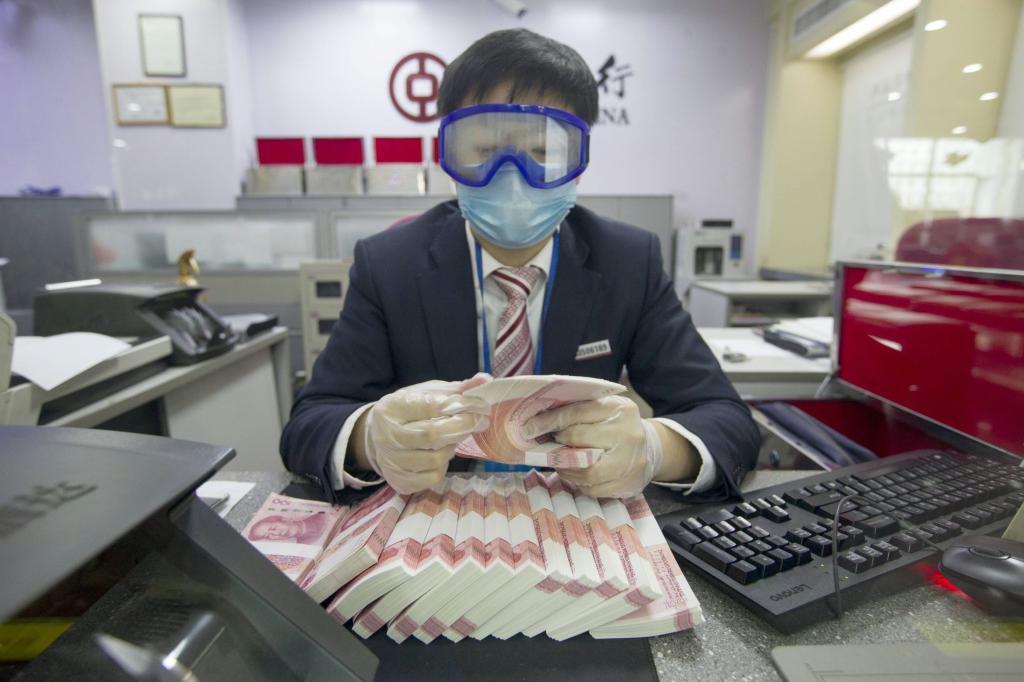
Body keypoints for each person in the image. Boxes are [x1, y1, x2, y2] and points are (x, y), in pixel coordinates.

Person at [280, 28, 760, 503]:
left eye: (544, 152)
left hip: (576, 510)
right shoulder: (388, 264)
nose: (512, 175)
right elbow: (309, 423)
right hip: (434, 507)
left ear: (578, 160)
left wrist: (654, 449)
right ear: (449, 154)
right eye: (485, 150)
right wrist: (371, 438)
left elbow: (725, 418)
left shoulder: (628, 261)